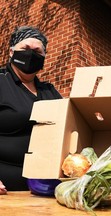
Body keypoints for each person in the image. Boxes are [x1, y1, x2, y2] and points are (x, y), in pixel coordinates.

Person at [0, 26, 62, 194]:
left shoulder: (50, 91)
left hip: (43, 190)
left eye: (38, 51)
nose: (31, 54)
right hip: (5, 190)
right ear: (12, 52)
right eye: (25, 49)